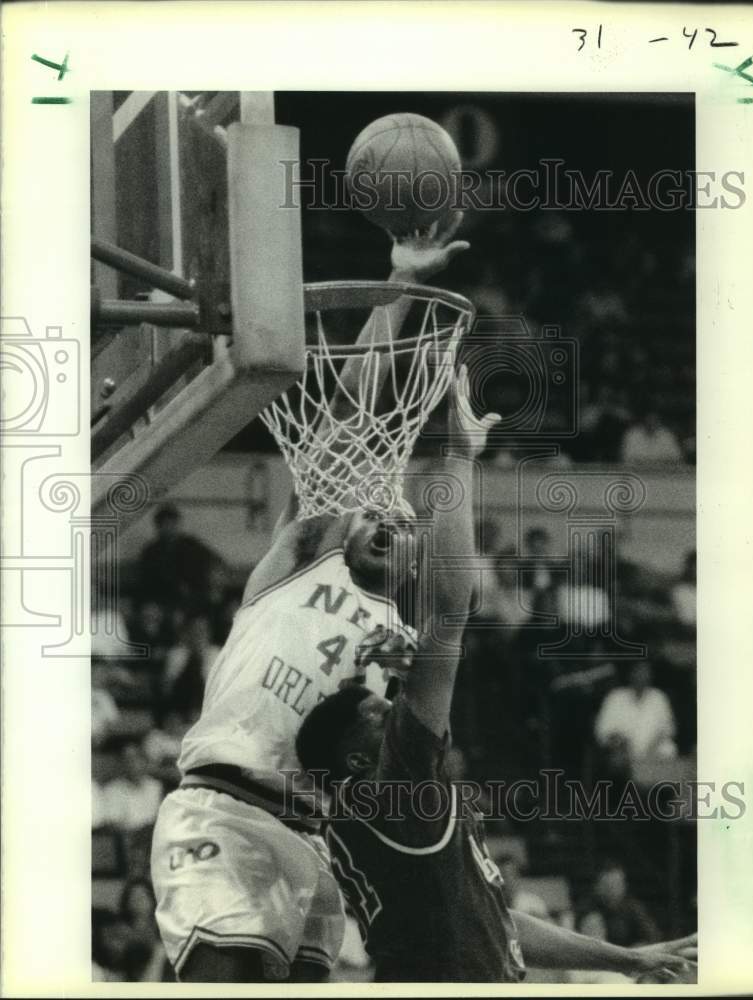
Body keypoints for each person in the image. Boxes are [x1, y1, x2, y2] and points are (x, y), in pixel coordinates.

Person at [149, 217, 470, 983]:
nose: (384, 515)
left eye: (399, 516)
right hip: (225, 806)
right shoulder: (298, 557)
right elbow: (354, 430)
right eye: (369, 510)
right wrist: (400, 286)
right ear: (337, 521)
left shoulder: (402, 630)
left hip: (318, 841)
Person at [296, 370, 696, 983]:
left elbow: (499, 919)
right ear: (357, 759)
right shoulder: (389, 787)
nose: (398, 709)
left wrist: (629, 958)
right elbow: (453, 606)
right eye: (382, 713)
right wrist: (457, 457)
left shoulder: (378, 806)